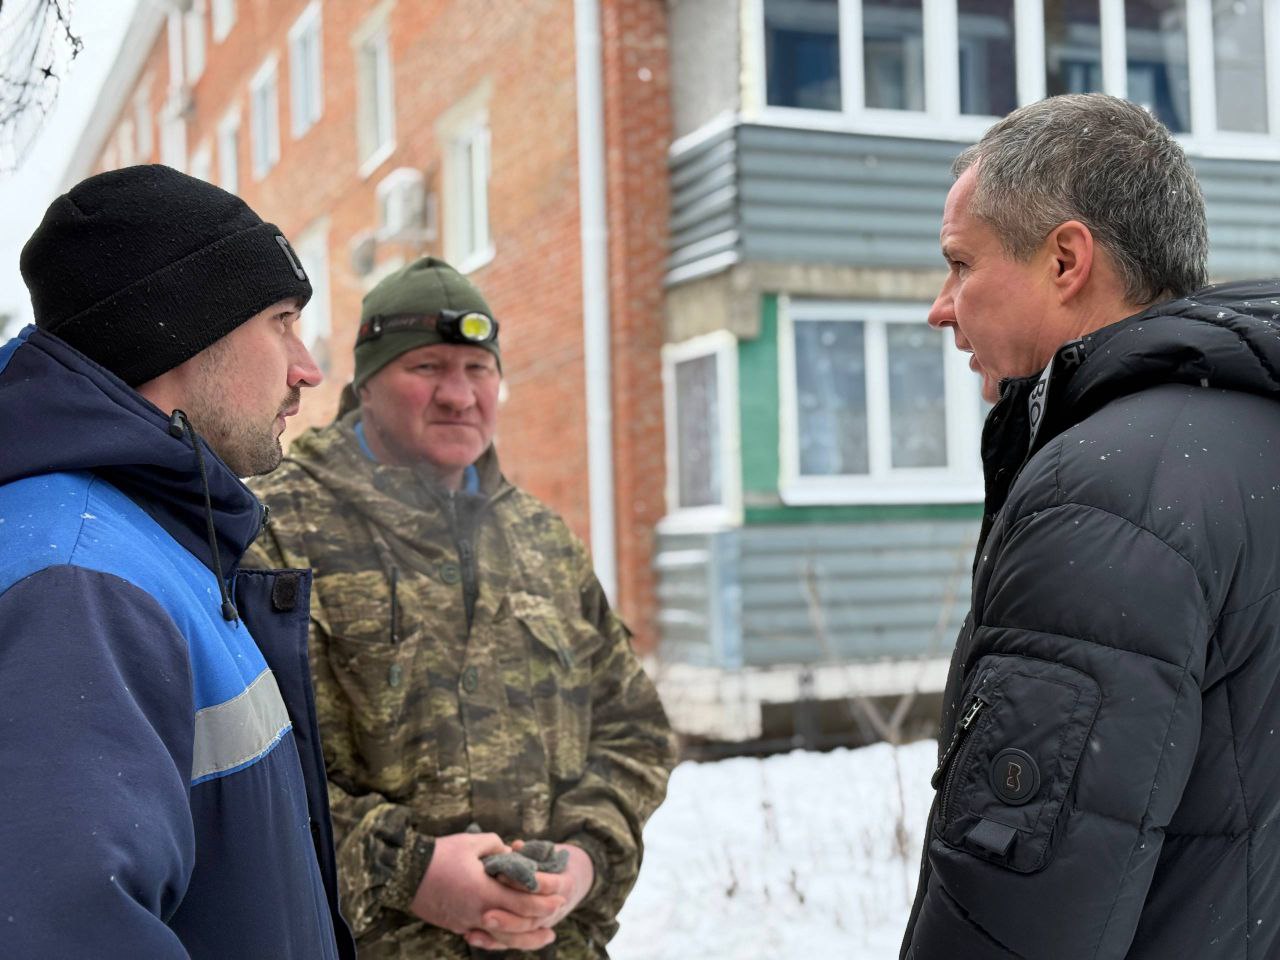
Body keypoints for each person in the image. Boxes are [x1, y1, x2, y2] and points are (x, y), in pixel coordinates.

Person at [902, 93, 1280, 959]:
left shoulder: (1103, 495)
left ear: (1066, 259)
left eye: (961, 264)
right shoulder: (1253, 436)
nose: (942, 306)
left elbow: (1023, 901)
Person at [245, 256, 677, 959]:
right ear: (367, 384)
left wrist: (584, 862)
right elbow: (243, 770)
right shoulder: (274, 535)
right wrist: (408, 872)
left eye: (478, 369)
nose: (458, 394)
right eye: (426, 368)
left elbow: (636, 729)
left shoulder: (541, 539)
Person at [0, 164, 355, 959]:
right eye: (282, 321)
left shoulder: (147, 542)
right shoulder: (79, 581)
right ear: (183, 328)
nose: (308, 367)